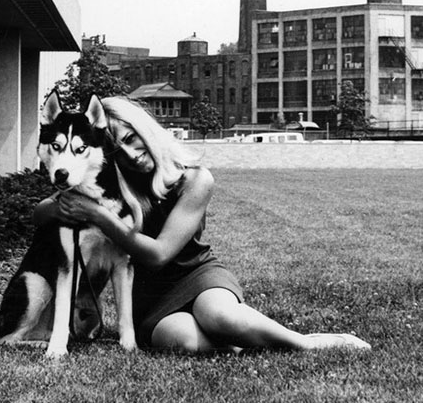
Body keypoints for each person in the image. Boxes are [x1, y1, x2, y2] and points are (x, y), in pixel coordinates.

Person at [34, 96, 371, 354]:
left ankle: (308, 343)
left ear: (147, 131)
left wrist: (97, 216)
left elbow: (159, 254)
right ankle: (243, 342)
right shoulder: (114, 184)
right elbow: (42, 213)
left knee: (220, 317)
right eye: (118, 146)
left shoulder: (195, 179)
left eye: (132, 138)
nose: (131, 153)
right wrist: (59, 209)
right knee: (184, 341)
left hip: (195, 275)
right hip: (148, 296)